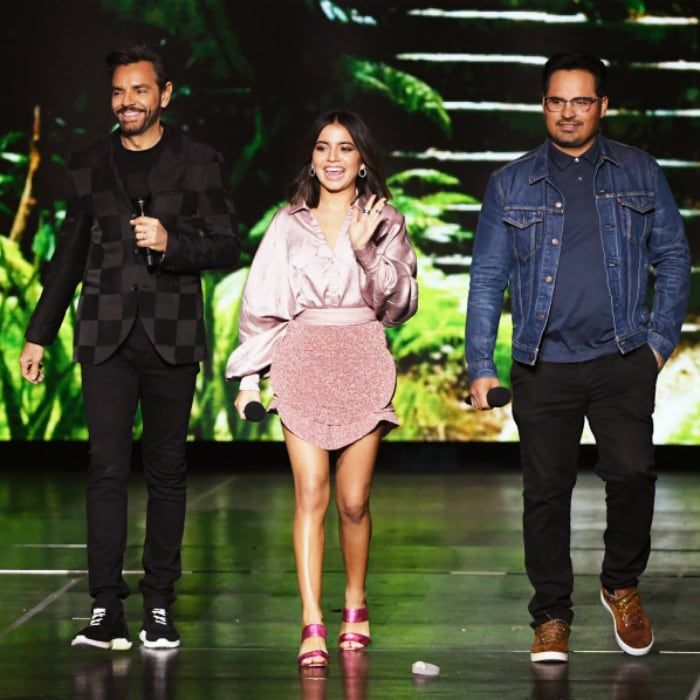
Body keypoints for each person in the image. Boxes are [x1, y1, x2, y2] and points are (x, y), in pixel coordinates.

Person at [465, 51, 690, 663]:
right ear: (543, 106)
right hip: (543, 364)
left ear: (602, 106)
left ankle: (620, 584)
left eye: (581, 100)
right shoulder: (510, 184)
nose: (569, 112)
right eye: (557, 101)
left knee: (633, 474)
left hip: (622, 358)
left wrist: (656, 345)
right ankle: (551, 615)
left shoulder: (641, 172)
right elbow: (487, 278)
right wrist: (481, 364)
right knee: (545, 493)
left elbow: (673, 258)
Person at [19, 43, 240, 650]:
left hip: (172, 337)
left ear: (164, 95)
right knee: (106, 470)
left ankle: (159, 604)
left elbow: (227, 244)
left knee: (167, 473)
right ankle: (105, 607)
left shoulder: (199, 161)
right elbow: (69, 254)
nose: (127, 102)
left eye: (139, 90)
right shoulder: (90, 163)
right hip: (105, 336)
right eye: (119, 92)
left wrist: (172, 243)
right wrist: (39, 333)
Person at [226, 110, 418, 667]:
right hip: (303, 358)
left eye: (345, 148)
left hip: (362, 355)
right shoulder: (287, 224)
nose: (333, 158)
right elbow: (261, 307)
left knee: (353, 501)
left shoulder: (386, 220)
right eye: (322, 147)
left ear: (363, 160)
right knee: (310, 493)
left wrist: (366, 251)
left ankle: (355, 601)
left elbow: (402, 305)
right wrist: (249, 379)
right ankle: (311, 619)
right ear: (311, 160)